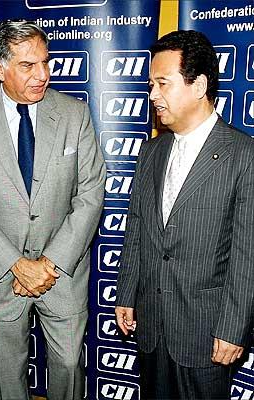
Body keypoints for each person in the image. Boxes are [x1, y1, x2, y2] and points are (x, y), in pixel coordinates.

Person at [115, 30, 254, 400]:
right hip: (152, 323)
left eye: (163, 83)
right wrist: (126, 292)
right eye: (150, 84)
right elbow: (137, 229)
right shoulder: (151, 152)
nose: (152, 95)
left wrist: (233, 328)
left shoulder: (243, 155)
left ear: (199, 86)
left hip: (206, 334)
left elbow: (247, 254)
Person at [0, 19, 106, 400]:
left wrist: (49, 264)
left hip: (63, 276)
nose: (43, 74)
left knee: (70, 372)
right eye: (28, 65)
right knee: (6, 380)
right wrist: (14, 263)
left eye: (46, 61)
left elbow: (90, 192)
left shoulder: (74, 114)